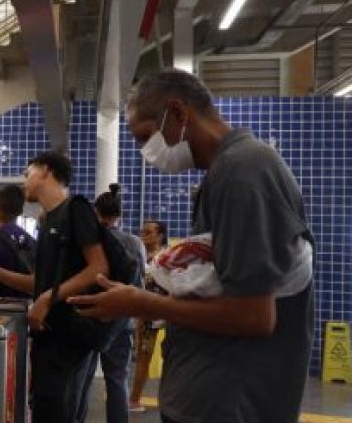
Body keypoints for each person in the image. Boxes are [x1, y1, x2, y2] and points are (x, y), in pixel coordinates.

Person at [68, 69, 315, 423]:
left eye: (145, 137)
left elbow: (253, 315)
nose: (144, 151)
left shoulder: (243, 173)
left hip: (231, 405)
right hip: (206, 397)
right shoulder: (226, 171)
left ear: (178, 113)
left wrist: (142, 303)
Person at [0, 151, 108, 422]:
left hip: (68, 339)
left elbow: (98, 268)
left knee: (57, 412)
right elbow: (39, 282)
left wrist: (46, 299)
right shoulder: (48, 221)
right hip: (49, 337)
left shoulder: (75, 209)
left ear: (45, 170)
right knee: (43, 408)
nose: (24, 181)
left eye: (27, 173)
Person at [85, 184, 146, 423]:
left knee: (83, 377)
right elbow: (140, 280)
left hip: (91, 315)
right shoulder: (135, 243)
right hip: (122, 318)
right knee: (117, 380)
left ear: (96, 211)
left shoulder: (91, 242)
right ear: (120, 214)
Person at [129, 219, 168, 413]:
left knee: (171, 355)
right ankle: (134, 399)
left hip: (169, 311)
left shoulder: (168, 256)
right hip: (147, 314)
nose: (144, 235)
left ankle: (169, 397)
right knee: (143, 357)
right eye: (143, 232)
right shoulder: (139, 254)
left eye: (149, 232)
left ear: (160, 236)